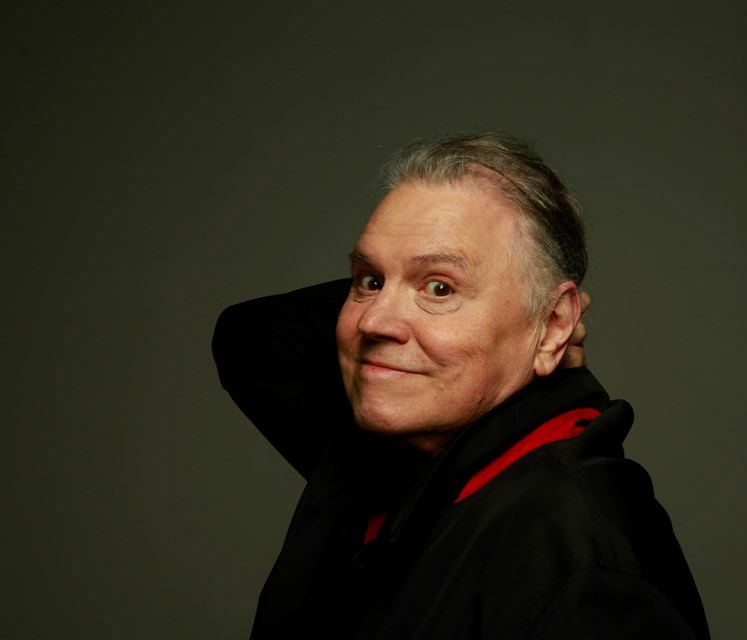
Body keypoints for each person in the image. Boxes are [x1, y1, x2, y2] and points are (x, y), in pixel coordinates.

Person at [213, 132, 710, 639]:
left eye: (440, 287)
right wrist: (413, 288)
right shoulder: (399, 448)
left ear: (556, 321)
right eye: (369, 280)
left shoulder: (580, 559)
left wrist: (540, 330)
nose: (374, 322)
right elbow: (250, 341)